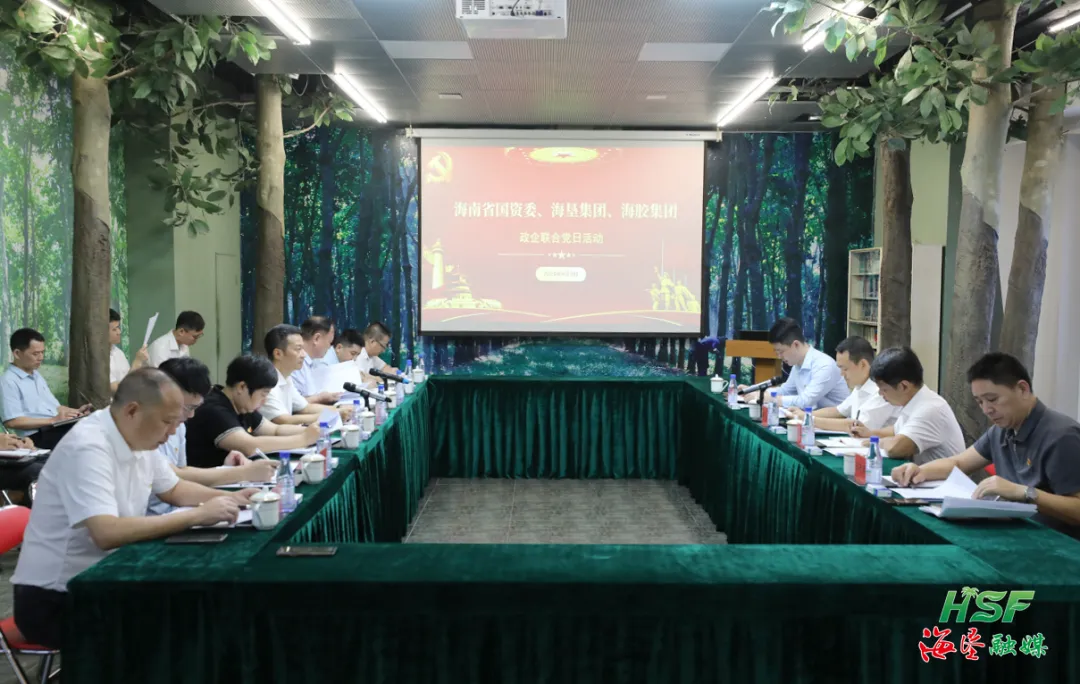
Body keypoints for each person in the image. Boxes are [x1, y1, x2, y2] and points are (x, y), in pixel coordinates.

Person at [10, 368, 255, 648]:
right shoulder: (88, 447)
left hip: (107, 577)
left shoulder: (138, 436)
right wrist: (197, 515)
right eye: (167, 422)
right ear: (132, 411)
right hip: (58, 597)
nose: (172, 431)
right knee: (187, 618)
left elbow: (174, 489)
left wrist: (235, 499)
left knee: (202, 599)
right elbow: (106, 533)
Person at [891, 353, 1080, 538]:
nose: (986, 409)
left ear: (1022, 389)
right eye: (979, 402)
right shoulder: (1002, 430)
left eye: (992, 399)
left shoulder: (1061, 436)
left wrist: (1024, 493)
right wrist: (919, 471)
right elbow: (959, 463)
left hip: (1057, 544)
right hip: (1016, 533)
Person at [149, 357, 280, 515]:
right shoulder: (145, 433)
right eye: (188, 407)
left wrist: (231, 491)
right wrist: (244, 473)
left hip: (175, 509)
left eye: (195, 408)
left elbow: (176, 482)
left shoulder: (180, 424)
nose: (191, 415)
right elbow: (175, 476)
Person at [184, 354, 320, 468]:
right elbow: (250, 446)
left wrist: (313, 431)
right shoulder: (213, 409)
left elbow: (275, 430)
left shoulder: (242, 405)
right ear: (242, 387)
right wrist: (303, 439)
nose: (264, 401)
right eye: (263, 394)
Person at [855, 346, 964, 464]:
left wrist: (875, 442)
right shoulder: (915, 400)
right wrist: (870, 434)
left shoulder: (930, 409)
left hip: (941, 476)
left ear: (904, 386)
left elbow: (895, 448)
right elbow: (897, 430)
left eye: (884, 389)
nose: (880, 394)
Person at [1, 328, 91, 449]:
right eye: (35, 354)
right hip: (36, 436)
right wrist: (52, 420)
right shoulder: (8, 381)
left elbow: (56, 407)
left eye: (42, 352)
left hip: (55, 428)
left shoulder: (37, 376)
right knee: (88, 438)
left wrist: (77, 412)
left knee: (95, 428)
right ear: (17, 353)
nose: (41, 357)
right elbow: (12, 421)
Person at [790, 336, 898, 433]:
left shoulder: (881, 391)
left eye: (845, 369)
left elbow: (857, 426)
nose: (842, 374)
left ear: (863, 364)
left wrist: (809, 419)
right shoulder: (859, 386)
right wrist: (805, 414)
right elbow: (838, 411)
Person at [741, 318, 849, 410]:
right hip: (812, 420)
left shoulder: (824, 366)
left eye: (781, 351)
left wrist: (770, 399)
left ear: (796, 345)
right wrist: (755, 391)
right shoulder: (798, 364)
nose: (779, 357)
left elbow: (805, 401)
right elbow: (785, 391)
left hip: (836, 424)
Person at [259, 325, 351, 426]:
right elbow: (284, 420)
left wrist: (338, 409)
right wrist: (333, 414)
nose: (304, 354)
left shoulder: (286, 377)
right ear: (278, 354)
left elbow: (305, 407)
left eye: (303, 349)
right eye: (298, 349)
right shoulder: (266, 383)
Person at [290, 316, 340, 403]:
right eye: (329, 342)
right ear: (316, 338)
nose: (329, 347)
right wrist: (320, 398)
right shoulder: (295, 363)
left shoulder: (310, 363)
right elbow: (293, 404)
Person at [109, 308, 150, 393]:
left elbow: (128, 379)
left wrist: (141, 363)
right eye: (114, 329)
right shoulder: (96, 358)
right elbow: (117, 389)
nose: (119, 332)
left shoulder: (118, 352)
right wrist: (137, 361)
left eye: (118, 327)